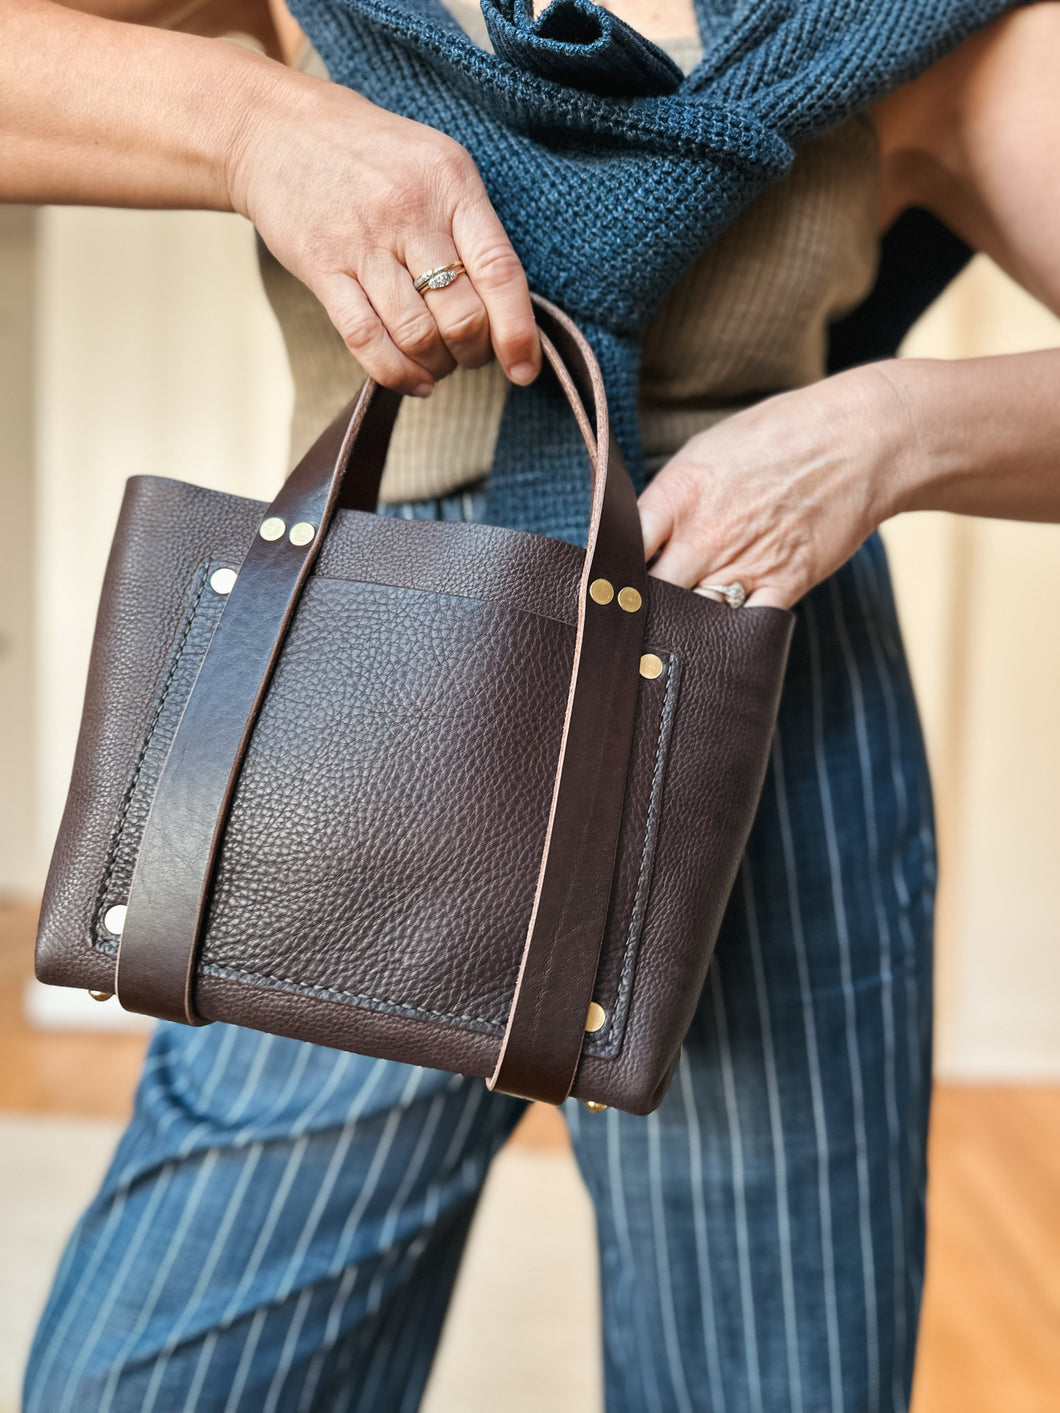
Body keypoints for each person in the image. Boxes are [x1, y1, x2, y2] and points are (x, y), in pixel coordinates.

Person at [7, 0, 1060, 1408]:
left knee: (765, 1372)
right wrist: (255, 124)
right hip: (352, 712)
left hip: (747, 737)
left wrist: (889, 431)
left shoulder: (908, 24)